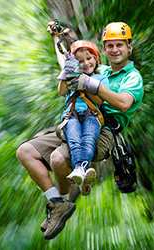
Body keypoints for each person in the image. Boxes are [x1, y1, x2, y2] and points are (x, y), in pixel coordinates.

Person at [16, 21, 143, 240]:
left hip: (104, 129)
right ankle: (57, 203)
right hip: (74, 119)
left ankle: (69, 193)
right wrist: (58, 35)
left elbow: (123, 103)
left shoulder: (132, 77)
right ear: (103, 50)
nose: (114, 50)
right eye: (110, 45)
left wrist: (94, 87)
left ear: (129, 47)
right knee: (25, 152)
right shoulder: (97, 66)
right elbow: (75, 57)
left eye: (119, 45)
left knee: (57, 159)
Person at [57, 40, 109, 190]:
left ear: (96, 59)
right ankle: (82, 173)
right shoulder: (71, 76)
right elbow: (61, 91)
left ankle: (80, 171)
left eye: (89, 58)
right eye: (80, 61)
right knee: (74, 141)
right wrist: (67, 72)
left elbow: (99, 100)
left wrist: (85, 84)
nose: (86, 63)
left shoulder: (101, 79)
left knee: (88, 139)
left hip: (92, 114)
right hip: (71, 115)